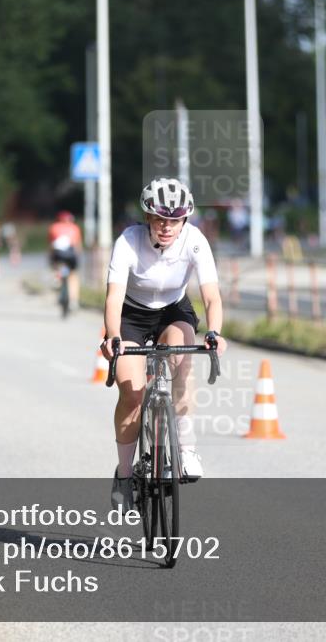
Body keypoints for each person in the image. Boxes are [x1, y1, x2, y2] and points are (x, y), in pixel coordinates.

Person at [100, 177, 228, 510]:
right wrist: (113, 336)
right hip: (131, 314)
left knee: (182, 365)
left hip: (173, 310)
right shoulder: (128, 242)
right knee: (132, 394)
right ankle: (124, 476)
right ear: (147, 217)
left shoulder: (195, 241)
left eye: (174, 220)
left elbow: (211, 297)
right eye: (159, 219)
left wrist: (214, 332)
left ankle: (186, 449)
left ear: (185, 219)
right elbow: (113, 298)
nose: (167, 227)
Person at [48, 211, 82, 309]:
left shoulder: (54, 227)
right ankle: (74, 300)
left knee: (57, 268)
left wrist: (50, 258)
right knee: (73, 276)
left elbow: (50, 245)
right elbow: (78, 246)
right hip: (71, 255)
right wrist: (77, 257)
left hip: (58, 255)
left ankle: (57, 280)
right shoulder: (75, 228)